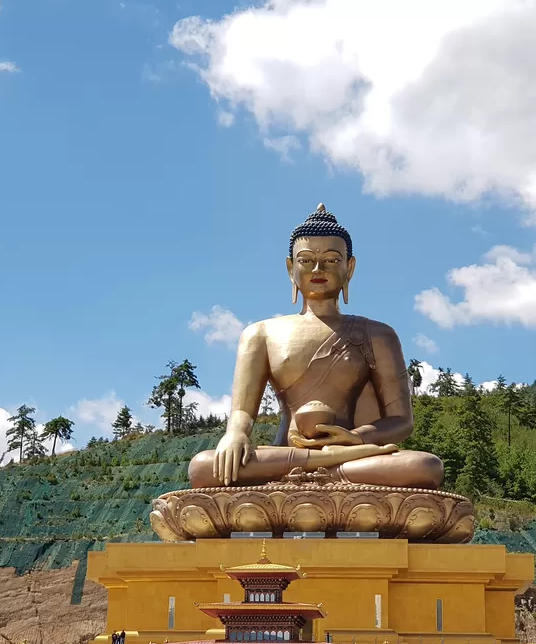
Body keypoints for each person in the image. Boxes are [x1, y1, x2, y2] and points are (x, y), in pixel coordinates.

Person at [188, 204, 444, 490]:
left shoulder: (378, 334)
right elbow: (242, 413)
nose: (318, 269)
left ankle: (309, 477)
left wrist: (356, 439)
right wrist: (235, 434)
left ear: (350, 267)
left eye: (332, 260)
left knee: (425, 466)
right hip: (288, 453)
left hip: (349, 455)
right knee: (203, 466)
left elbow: (400, 421)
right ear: (290, 268)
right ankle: (316, 471)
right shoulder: (261, 333)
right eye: (307, 260)